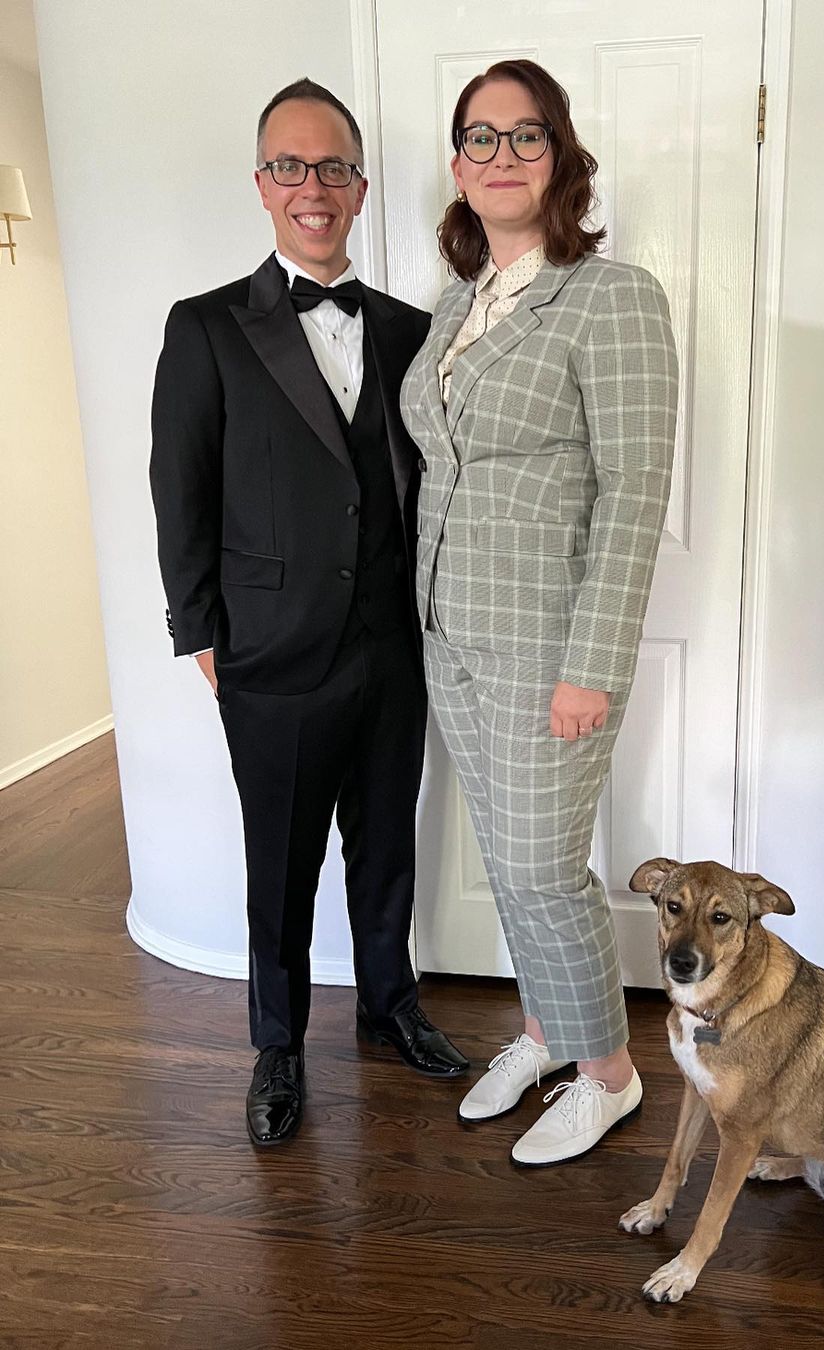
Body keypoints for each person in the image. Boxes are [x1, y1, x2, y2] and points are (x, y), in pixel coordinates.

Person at [150, 78, 467, 1148]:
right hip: (270, 653)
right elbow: (180, 487)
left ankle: (389, 1005)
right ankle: (278, 1044)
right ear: (262, 185)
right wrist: (198, 630)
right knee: (279, 863)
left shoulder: (411, 330)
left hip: (391, 644)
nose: (313, 186)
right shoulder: (206, 328)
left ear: (361, 187)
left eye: (333, 166)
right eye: (290, 166)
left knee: (386, 847)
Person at [401, 60, 678, 1165]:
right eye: (481, 136)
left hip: (550, 645)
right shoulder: (456, 304)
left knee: (541, 869)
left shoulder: (612, 298)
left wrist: (592, 665)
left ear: (560, 158)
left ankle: (608, 1072)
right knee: (507, 860)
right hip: (449, 636)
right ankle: (548, 1032)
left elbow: (634, 492)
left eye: (527, 136)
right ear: (458, 165)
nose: (502, 155)